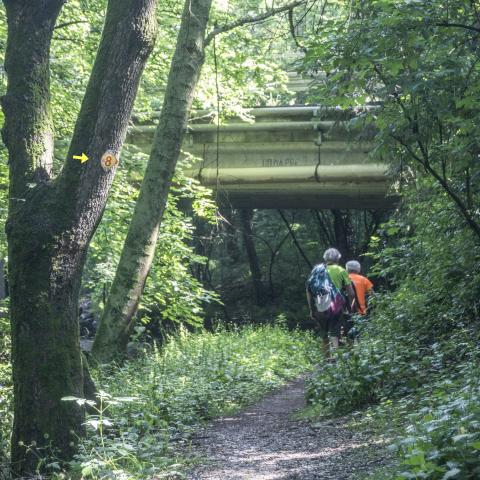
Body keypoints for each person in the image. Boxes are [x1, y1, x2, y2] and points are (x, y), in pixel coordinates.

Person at [306, 248, 356, 356]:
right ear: (338, 258)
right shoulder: (341, 270)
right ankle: (336, 359)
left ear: (325, 258)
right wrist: (351, 308)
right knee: (335, 332)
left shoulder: (316, 270)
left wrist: (311, 309)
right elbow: (351, 293)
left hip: (320, 305)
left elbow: (309, 290)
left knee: (324, 334)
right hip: (336, 305)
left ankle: (327, 359)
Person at [345, 260, 374, 341]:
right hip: (361, 310)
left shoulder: (343, 279)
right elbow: (373, 295)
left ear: (347, 269)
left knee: (347, 336)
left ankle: (351, 351)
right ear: (358, 269)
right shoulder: (363, 279)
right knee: (361, 335)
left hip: (346, 311)